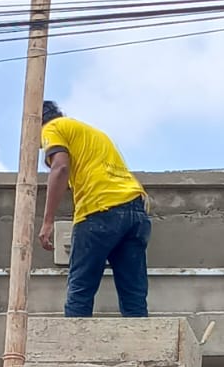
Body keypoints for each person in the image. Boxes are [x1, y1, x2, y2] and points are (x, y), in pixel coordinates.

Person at [37, 101, 151, 317]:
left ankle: (73, 340)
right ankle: (141, 341)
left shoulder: (51, 128)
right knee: (134, 298)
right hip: (136, 210)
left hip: (100, 210)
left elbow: (60, 167)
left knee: (80, 291)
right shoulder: (90, 133)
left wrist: (48, 221)